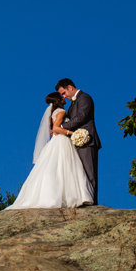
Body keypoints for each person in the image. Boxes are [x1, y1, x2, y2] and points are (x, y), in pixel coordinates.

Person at [7, 92, 93, 209]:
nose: (64, 98)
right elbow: (56, 128)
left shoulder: (53, 112)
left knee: (56, 168)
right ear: (58, 100)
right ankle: (69, 197)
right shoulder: (61, 112)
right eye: (61, 97)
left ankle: (56, 195)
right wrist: (71, 133)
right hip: (62, 141)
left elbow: (53, 129)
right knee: (65, 168)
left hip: (56, 141)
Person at [58, 77, 101, 205]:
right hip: (75, 142)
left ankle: (92, 203)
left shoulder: (85, 98)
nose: (64, 97)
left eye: (64, 93)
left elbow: (81, 117)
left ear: (70, 88)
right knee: (79, 174)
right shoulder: (71, 105)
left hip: (87, 141)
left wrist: (61, 128)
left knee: (90, 173)